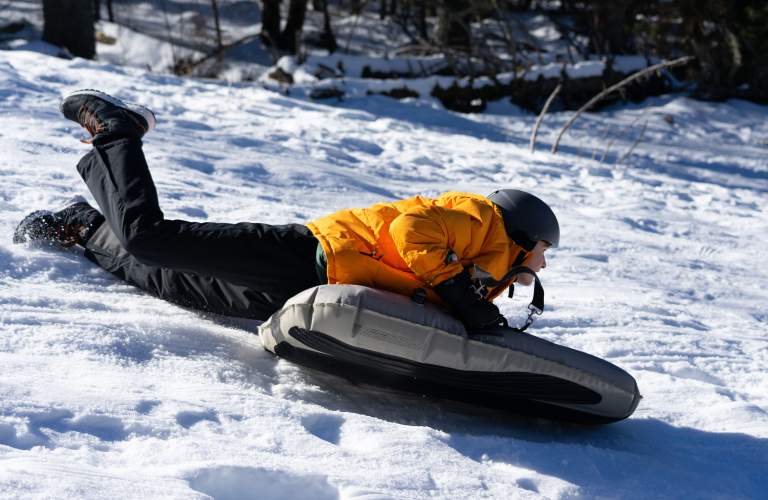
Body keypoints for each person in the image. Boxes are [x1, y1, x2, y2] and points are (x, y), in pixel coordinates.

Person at [13, 90, 560, 331]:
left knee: (168, 279)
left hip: (305, 294)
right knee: (153, 240)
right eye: (543, 252)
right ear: (525, 232)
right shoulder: (479, 220)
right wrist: (462, 293)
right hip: (306, 257)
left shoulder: (484, 271)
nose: (541, 265)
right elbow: (411, 228)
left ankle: (82, 226)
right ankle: (117, 130)